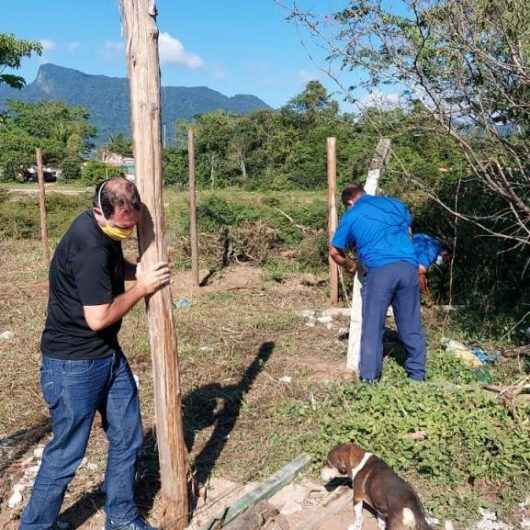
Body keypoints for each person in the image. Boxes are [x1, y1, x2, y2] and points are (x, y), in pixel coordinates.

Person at [21, 176, 169, 530]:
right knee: (68, 453)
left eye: (132, 226)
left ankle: (120, 516)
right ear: (98, 212)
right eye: (121, 227)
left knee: (128, 436)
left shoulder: (104, 232)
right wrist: (142, 288)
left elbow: (112, 268)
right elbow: (99, 318)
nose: (126, 232)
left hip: (107, 355)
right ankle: (35, 526)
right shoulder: (88, 245)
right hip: (72, 364)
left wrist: (139, 270)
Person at [329, 184, 426, 383]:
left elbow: (334, 251)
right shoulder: (394, 203)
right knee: (411, 323)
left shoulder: (352, 215)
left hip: (380, 271)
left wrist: (351, 265)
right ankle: (417, 375)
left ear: (349, 202)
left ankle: (369, 379)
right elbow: (407, 225)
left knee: (373, 325)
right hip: (409, 267)